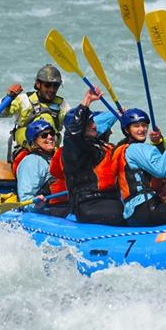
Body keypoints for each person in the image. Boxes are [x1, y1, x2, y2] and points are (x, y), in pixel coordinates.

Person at [61, 88, 127, 226]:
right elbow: (73, 133)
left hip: (111, 198)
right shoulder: (73, 149)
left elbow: (105, 123)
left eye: (93, 122)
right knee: (125, 214)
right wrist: (87, 101)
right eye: (89, 123)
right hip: (89, 204)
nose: (94, 126)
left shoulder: (98, 144)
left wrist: (125, 119)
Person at [0, 64, 69, 165]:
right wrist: (8, 99)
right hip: (26, 153)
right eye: (47, 85)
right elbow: (0, 113)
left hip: (52, 154)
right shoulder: (24, 100)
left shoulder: (61, 105)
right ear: (38, 84)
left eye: (55, 86)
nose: (52, 90)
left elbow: (74, 125)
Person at [15, 119, 71, 217]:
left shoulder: (58, 157)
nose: (50, 137)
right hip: (50, 211)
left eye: (51, 133)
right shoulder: (32, 162)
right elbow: (25, 200)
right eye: (44, 135)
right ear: (34, 142)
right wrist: (37, 205)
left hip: (68, 206)